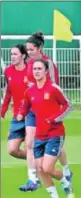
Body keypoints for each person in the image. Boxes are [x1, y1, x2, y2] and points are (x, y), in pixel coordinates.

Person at [17, 59, 73, 198]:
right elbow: (25, 105)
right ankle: (54, 197)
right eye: (34, 69)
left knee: (48, 167)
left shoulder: (53, 88)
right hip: (39, 135)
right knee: (40, 168)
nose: (36, 71)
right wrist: (20, 113)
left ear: (46, 71)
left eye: (39, 69)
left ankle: (66, 183)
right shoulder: (30, 91)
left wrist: (55, 118)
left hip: (55, 133)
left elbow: (68, 105)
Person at [25, 31, 72, 191]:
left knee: (54, 141)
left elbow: (53, 85)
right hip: (33, 107)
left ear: (39, 48)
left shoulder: (48, 64)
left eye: (31, 49)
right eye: (28, 50)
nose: (29, 53)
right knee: (30, 142)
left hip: (47, 108)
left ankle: (65, 170)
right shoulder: (29, 64)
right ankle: (32, 178)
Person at [1, 45, 40, 190]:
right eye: (11, 54)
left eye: (15, 54)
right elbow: (9, 91)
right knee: (12, 149)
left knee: (30, 145)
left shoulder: (30, 71)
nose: (12, 57)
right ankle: (38, 161)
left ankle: (33, 179)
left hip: (31, 114)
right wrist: (3, 109)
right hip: (16, 116)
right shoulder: (8, 71)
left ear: (23, 56)